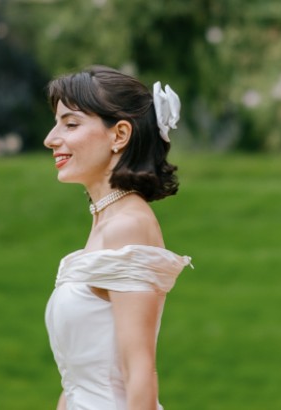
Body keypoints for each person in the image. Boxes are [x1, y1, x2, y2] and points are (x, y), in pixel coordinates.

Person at [43, 66, 192, 410]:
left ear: (119, 134)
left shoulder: (128, 226)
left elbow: (139, 373)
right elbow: (78, 380)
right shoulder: (107, 221)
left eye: (70, 123)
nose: (51, 138)